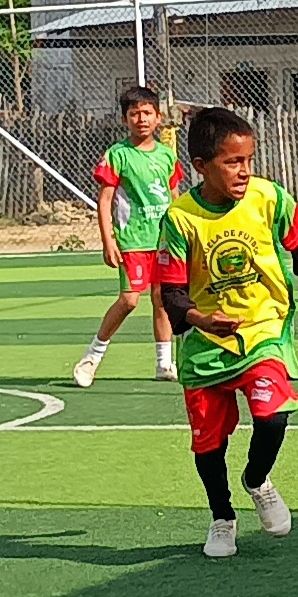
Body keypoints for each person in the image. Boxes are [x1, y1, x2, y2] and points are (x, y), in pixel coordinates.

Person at [156, 106, 298, 559]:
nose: (245, 170)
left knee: (273, 416)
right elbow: (171, 292)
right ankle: (222, 517)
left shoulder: (268, 197)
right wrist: (201, 320)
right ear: (201, 165)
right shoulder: (180, 218)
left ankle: (256, 479)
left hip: (262, 330)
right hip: (205, 344)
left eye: (249, 159)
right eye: (233, 162)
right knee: (208, 443)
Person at [75, 86, 182, 389]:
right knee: (129, 300)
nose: (141, 119)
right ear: (125, 119)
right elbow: (105, 200)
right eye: (134, 114)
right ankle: (92, 357)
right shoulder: (117, 155)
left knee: (162, 298)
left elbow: (175, 197)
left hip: (163, 241)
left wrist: (182, 234)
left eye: (147, 113)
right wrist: (108, 240)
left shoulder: (166, 155)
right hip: (133, 240)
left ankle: (164, 363)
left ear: (158, 117)